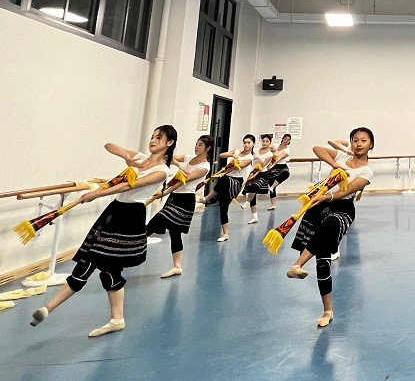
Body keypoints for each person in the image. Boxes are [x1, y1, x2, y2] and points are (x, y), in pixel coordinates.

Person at [30, 126, 176, 337]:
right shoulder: (141, 158)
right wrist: (128, 158)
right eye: (152, 136)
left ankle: (48, 308)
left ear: (169, 143)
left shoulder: (163, 171)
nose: (153, 140)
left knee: (94, 262)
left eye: (159, 138)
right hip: (114, 212)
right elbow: (109, 145)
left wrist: (97, 194)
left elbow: (128, 186)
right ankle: (117, 319)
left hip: (129, 218)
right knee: (108, 269)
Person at [286, 127, 375, 328]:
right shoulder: (342, 157)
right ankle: (327, 311)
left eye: (364, 140)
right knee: (322, 260)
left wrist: (327, 196)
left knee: (331, 223)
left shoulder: (367, 171)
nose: (359, 144)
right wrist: (336, 165)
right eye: (355, 140)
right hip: (320, 206)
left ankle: (297, 264)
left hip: (341, 209)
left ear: (371, 145)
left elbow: (346, 191)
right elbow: (317, 148)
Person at [146, 134, 212, 277]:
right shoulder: (188, 157)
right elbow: (169, 157)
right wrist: (171, 157)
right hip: (174, 196)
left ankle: (132, 244)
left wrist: (164, 191)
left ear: (208, 148)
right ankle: (177, 266)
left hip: (185, 200)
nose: (196, 147)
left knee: (158, 220)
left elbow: (184, 179)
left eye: (200, 145)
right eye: (196, 144)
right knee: (174, 232)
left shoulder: (205, 166)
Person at [200, 134, 255, 242]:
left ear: (253, 144)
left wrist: (222, 173)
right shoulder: (237, 151)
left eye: (249, 143)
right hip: (226, 181)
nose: (246, 145)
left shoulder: (249, 158)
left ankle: (208, 198)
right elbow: (221, 155)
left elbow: (237, 166)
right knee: (223, 207)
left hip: (236, 182)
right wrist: (232, 154)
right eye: (244, 142)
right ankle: (226, 234)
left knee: (224, 179)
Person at [243, 134, 276, 224]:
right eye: (263, 141)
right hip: (253, 172)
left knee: (254, 187)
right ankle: (255, 217)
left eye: (267, 141)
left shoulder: (270, 154)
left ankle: (247, 201)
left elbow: (263, 165)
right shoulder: (256, 150)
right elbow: (250, 158)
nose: (264, 143)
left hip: (262, 174)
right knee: (252, 195)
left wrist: (258, 159)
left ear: (270, 143)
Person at [266, 134, 293, 210]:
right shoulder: (275, 145)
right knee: (271, 182)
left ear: (289, 141)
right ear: (282, 139)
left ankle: (272, 187)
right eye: (285, 139)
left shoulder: (287, 150)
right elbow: (268, 148)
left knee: (286, 174)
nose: (286, 141)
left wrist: (272, 164)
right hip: (272, 166)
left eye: (288, 140)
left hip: (281, 166)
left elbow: (278, 158)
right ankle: (273, 205)